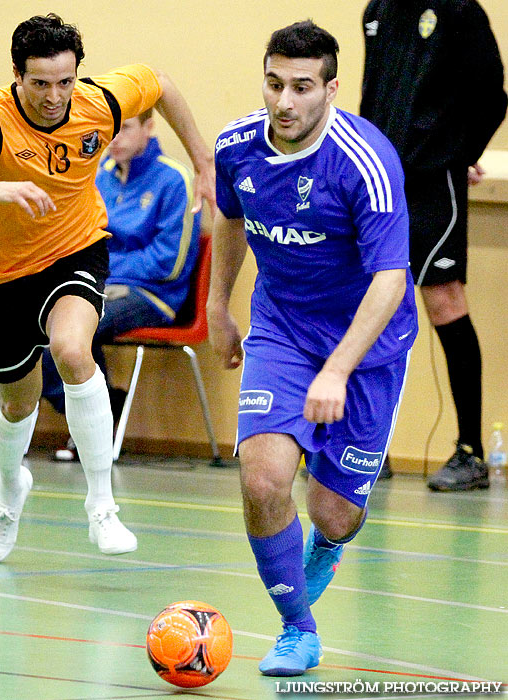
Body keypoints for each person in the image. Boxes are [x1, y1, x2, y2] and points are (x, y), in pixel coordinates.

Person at [0, 13, 214, 561]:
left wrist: (202, 158)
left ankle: (102, 507)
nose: (54, 96)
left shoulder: (99, 101)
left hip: (75, 251)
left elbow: (163, 83)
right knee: (17, 402)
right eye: (40, 84)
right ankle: (11, 489)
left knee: (72, 348)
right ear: (16, 75)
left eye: (65, 81)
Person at [207, 21, 417, 676]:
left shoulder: (365, 160)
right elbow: (230, 215)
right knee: (263, 478)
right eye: (274, 84)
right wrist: (219, 304)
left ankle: (328, 542)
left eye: (302, 87)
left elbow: (389, 278)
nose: (284, 102)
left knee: (336, 514)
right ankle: (298, 628)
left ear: (331, 87)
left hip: (368, 347)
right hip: (282, 330)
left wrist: (338, 368)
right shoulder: (238, 147)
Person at [360, 0, 507, 491]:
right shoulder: (377, 10)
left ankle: (470, 452)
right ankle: (366, 446)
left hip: (431, 180)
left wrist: (460, 153)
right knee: (371, 303)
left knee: (443, 300)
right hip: (380, 182)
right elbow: (371, 96)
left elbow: (493, 95)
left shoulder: (459, 11)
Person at [41, 109, 201, 461]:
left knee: (83, 323)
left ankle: (95, 426)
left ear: (149, 127)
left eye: (125, 129)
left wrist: (103, 269)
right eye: (107, 130)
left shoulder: (175, 180)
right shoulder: (99, 176)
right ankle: (102, 410)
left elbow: (169, 260)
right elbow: (82, 240)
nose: (113, 138)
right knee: (50, 323)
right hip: (100, 284)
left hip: (153, 294)